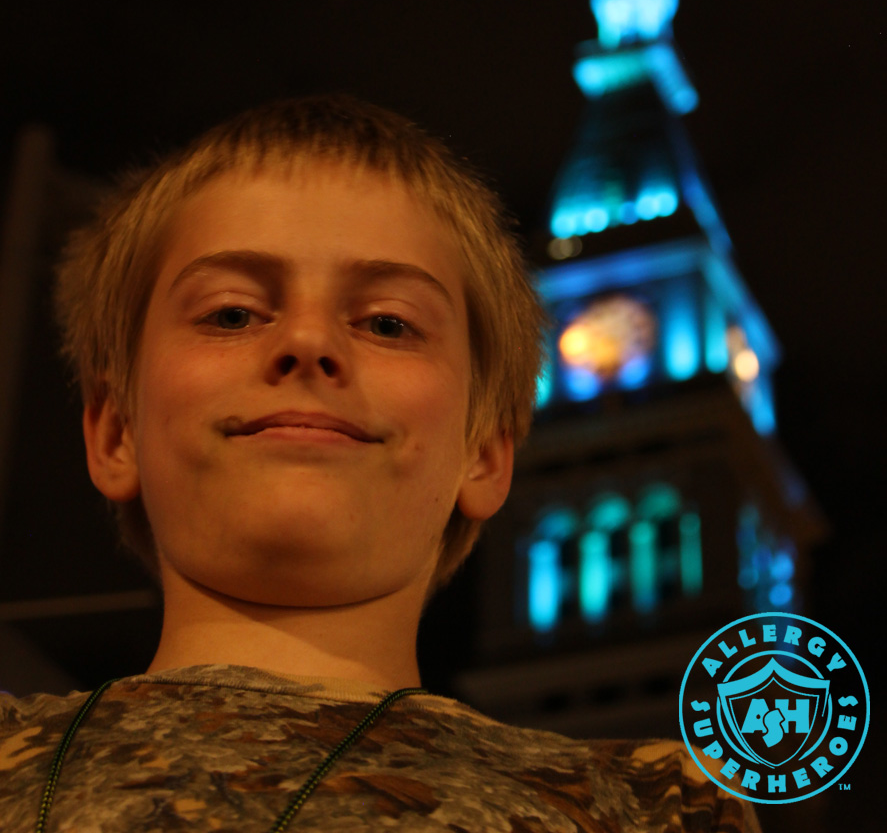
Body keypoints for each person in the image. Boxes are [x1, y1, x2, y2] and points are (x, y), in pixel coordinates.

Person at [0, 95, 760, 831]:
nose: (309, 341)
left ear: (487, 452)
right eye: (231, 313)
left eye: (388, 323)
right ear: (113, 432)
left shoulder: (652, 809)